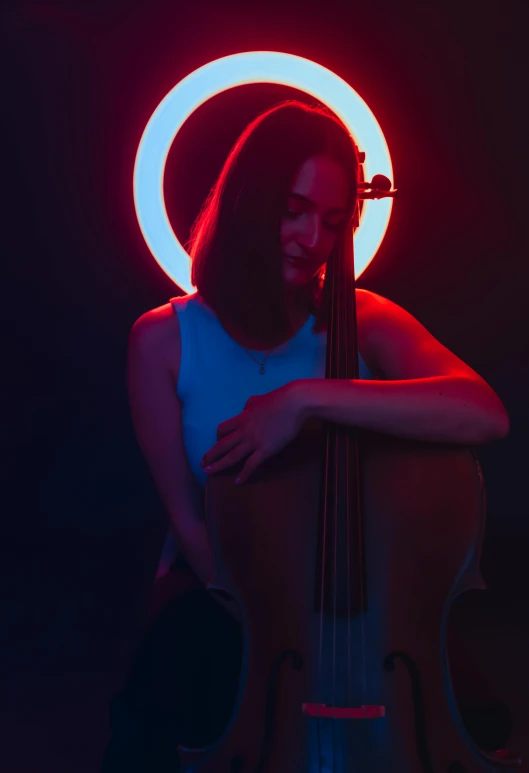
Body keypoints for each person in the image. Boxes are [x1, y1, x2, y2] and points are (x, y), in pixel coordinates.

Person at [100, 100, 512, 771]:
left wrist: (305, 399)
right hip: (225, 592)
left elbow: (482, 412)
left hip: (360, 598)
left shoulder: (362, 317)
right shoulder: (162, 339)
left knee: (472, 718)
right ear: (247, 202)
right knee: (165, 718)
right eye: (292, 210)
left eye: (329, 221)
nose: (309, 238)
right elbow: (187, 520)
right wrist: (278, 627)